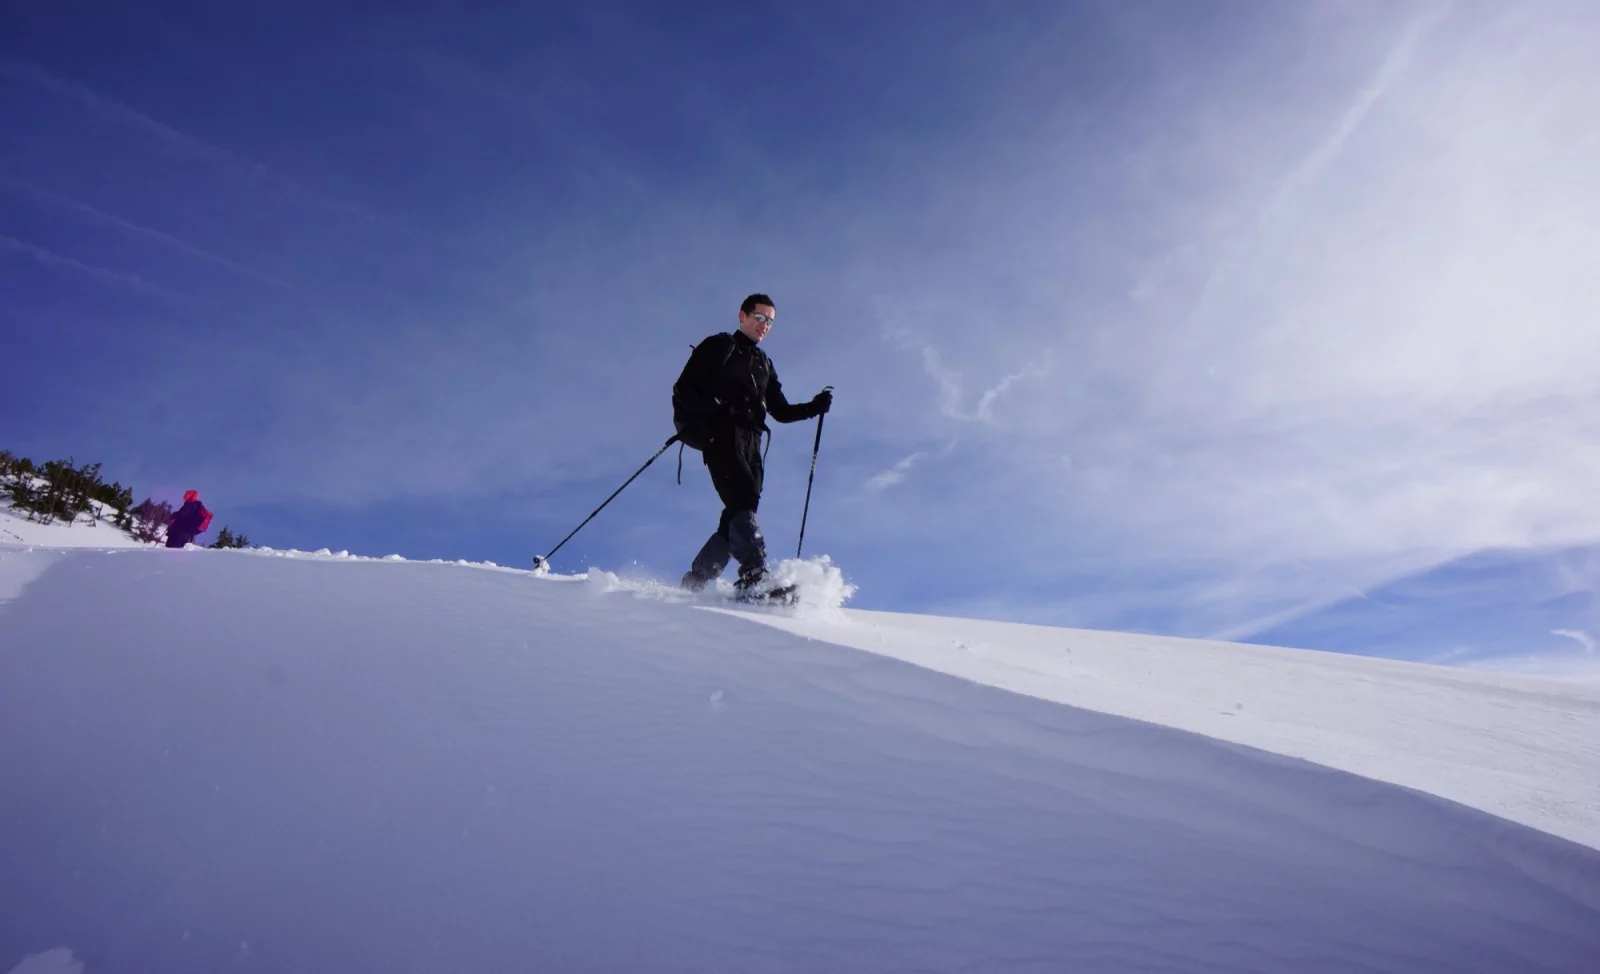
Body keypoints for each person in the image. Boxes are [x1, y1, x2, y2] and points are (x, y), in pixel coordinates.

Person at [675, 294, 832, 597]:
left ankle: (694, 583)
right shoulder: (721, 346)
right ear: (742, 316)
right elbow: (684, 387)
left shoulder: (763, 364)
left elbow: (781, 412)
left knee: (736, 512)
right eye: (759, 317)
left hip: (753, 442)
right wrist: (713, 412)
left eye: (770, 321)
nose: (764, 325)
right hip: (720, 433)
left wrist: (814, 407)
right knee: (743, 499)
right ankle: (754, 576)